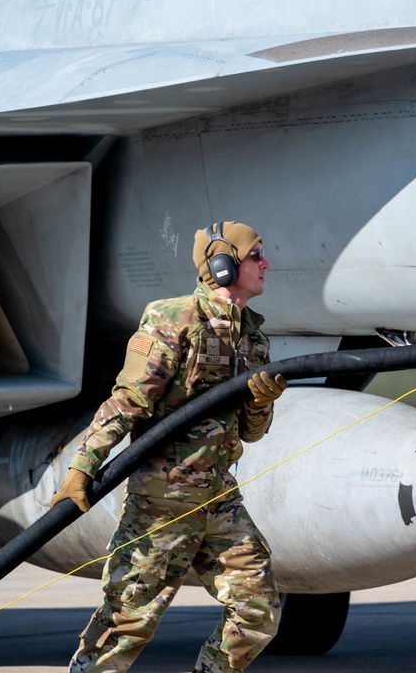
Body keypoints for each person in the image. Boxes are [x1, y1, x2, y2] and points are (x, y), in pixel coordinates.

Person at [51, 221, 288, 673]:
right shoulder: (173, 318)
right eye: (256, 254)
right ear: (223, 264)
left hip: (218, 497)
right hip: (163, 499)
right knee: (127, 622)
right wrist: (84, 466)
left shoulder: (253, 338)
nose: (266, 264)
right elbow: (129, 400)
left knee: (259, 609)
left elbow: (252, 433)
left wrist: (260, 404)